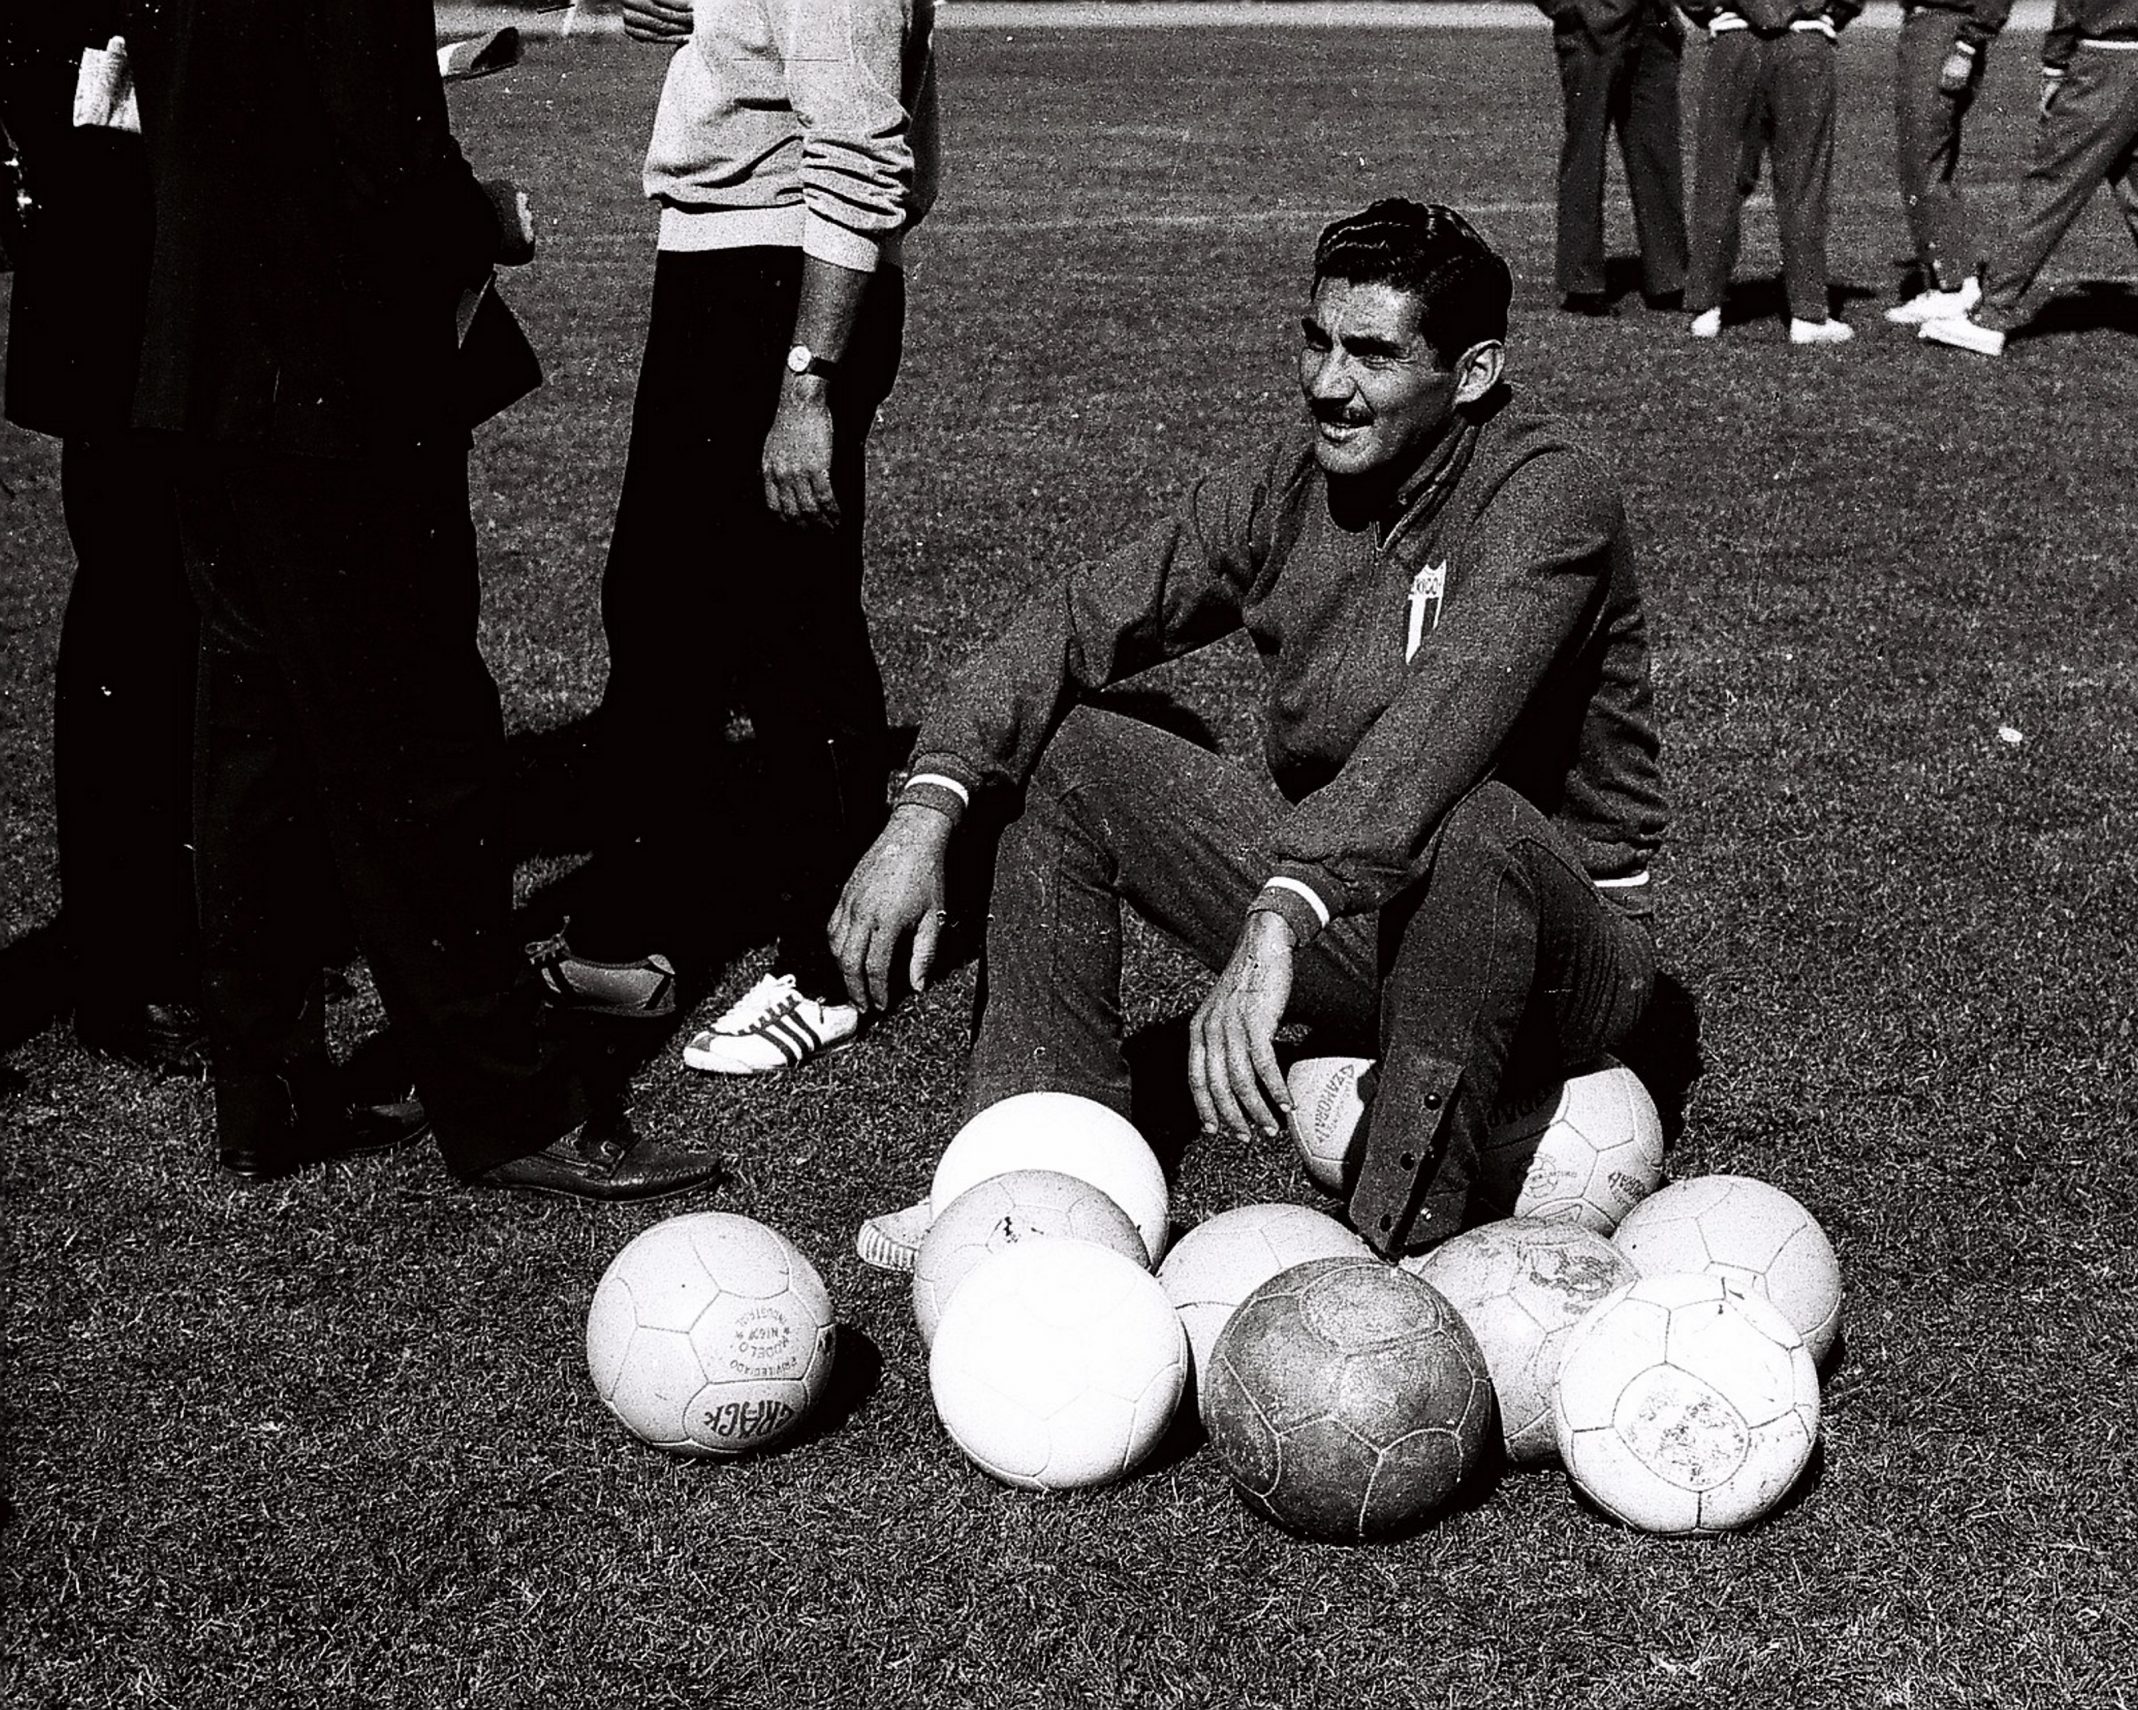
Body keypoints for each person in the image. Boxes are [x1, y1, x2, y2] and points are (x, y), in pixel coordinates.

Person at [829, 201, 1669, 1271]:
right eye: (1315, 340)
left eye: (1370, 353)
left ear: (1470, 374)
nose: (1326, 381)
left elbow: (1441, 730)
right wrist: (928, 801)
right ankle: (1034, 1191)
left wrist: (1281, 910)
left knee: (1478, 825)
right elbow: (1083, 617)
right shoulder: (1288, 485)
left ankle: (1399, 1260)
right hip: (1360, 911)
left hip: (1560, 950)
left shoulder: (1549, 495)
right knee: (1075, 755)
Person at [123, 0, 722, 1198]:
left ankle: (269, 1080)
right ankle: (512, 1101)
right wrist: (481, 218)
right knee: (423, 743)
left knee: (255, 741)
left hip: (210, 375)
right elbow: (378, 151)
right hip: (329, 395)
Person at [533, 0, 939, 1079]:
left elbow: (859, 150)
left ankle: (829, 969)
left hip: (781, 291)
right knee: (665, 615)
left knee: (788, 627)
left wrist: (806, 384)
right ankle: (635, 936)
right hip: (730, 270)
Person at [1, 9, 204, 1073]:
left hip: (157, 268)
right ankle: (130, 960)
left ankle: (161, 942)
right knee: (136, 613)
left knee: (168, 611)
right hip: (117, 278)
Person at [1916, 0, 2138, 358]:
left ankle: (1988, 318)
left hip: (2105, 66)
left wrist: (2054, 66)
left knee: (2049, 192)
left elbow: (2071, 7)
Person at [1679, 0, 1863, 345]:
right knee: (1803, 180)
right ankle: (1807, 311)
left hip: (1735, 43)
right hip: (1804, 42)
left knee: (1720, 176)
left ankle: (1705, 305)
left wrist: (1714, 11)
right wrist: (1827, 15)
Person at [1532, 0, 1689, 317]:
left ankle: (1669, 279)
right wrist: (1567, 9)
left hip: (1654, 25)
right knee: (1585, 157)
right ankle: (1581, 284)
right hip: (1589, 31)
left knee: (1658, 156)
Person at [1881, 0, 2016, 325]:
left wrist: (1968, 44)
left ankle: (1951, 287)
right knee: (1924, 160)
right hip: (1929, 29)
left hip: (1943, 31)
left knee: (1923, 159)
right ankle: (1954, 278)